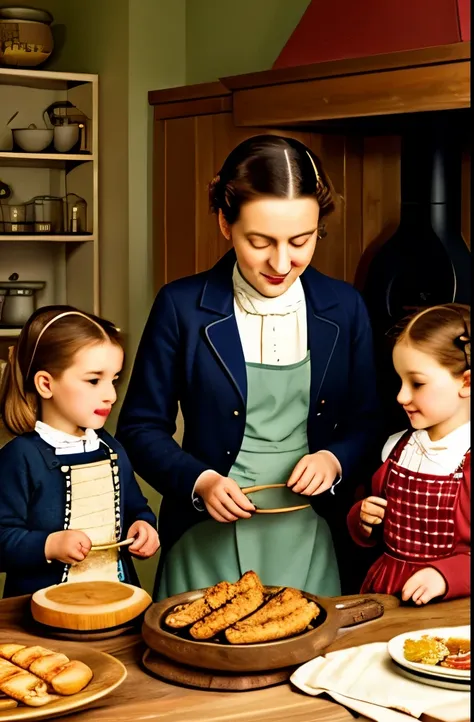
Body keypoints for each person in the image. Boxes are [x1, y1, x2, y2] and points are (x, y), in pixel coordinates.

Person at [117, 134, 379, 601]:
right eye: (260, 242)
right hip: (204, 538)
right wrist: (200, 481)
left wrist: (333, 460)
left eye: (301, 241)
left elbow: (367, 420)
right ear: (224, 222)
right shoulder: (180, 306)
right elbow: (139, 427)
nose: (282, 263)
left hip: (312, 536)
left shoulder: (346, 307)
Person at [0, 305, 159, 597]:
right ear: (46, 384)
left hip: (114, 603)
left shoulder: (110, 447)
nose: (111, 395)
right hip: (39, 617)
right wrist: (50, 545)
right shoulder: (19, 457)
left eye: (114, 380)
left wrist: (143, 525)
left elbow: (136, 507)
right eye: (94, 380)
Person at [347, 304, 470, 604]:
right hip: (386, 593)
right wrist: (362, 519)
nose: (402, 396)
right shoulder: (397, 449)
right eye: (400, 381)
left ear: (467, 382)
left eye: (417, 383)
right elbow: (373, 517)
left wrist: (445, 575)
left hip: (448, 609)